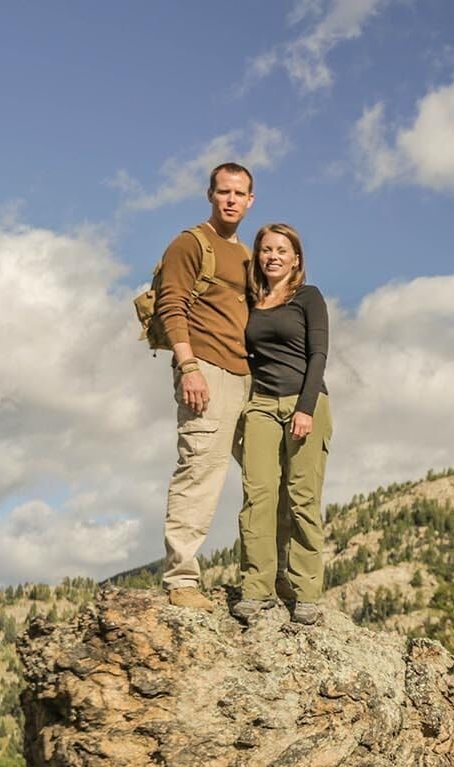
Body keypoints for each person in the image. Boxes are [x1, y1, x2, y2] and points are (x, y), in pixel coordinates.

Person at [157, 162, 256, 611]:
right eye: (224, 192)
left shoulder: (250, 255)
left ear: (251, 200)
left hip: (250, 376)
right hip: (207, 372)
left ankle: (264, 579)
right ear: (210, 195)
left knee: (265, 477)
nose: (231, 200)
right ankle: (181, 581)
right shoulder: (191, 243)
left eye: (240, 193)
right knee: (200, 471)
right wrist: (189, 366)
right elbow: (171, 304)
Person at [234, 222, 332, 624]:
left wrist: (305, 408)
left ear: (296, 259)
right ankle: (257, 588)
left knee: (302, 498)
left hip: (305, 402)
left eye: (281, 250)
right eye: (266, 250)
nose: (273, 256)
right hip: (260, 404)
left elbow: (319, 354)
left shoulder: (308, 297)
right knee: (258, 496)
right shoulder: (251, 302)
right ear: (258, 256)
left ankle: (306, 592)